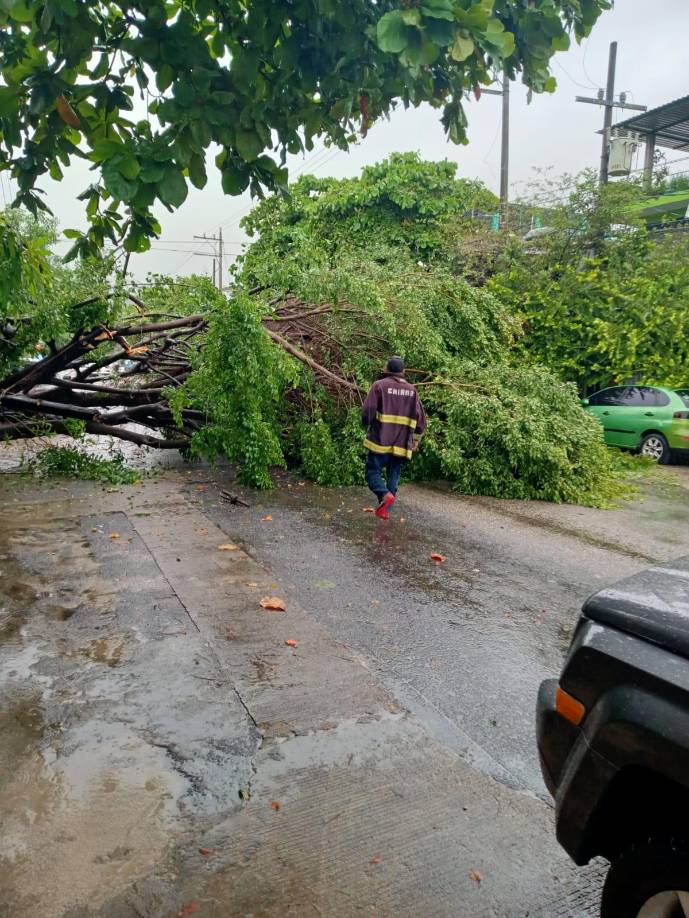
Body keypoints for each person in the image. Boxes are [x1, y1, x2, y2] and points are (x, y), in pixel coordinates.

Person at [361, 356, 426, 519]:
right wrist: (416, 440)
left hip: (380, 441)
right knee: (393, 476)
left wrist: (366, 423)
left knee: (372, 472)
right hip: (402, 444)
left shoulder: (379, 386)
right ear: (403, 372)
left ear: (386, 369)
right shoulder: (412, 391)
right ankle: (385, 511)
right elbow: (421, 420)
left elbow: (367, 412)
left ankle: (384, 496)